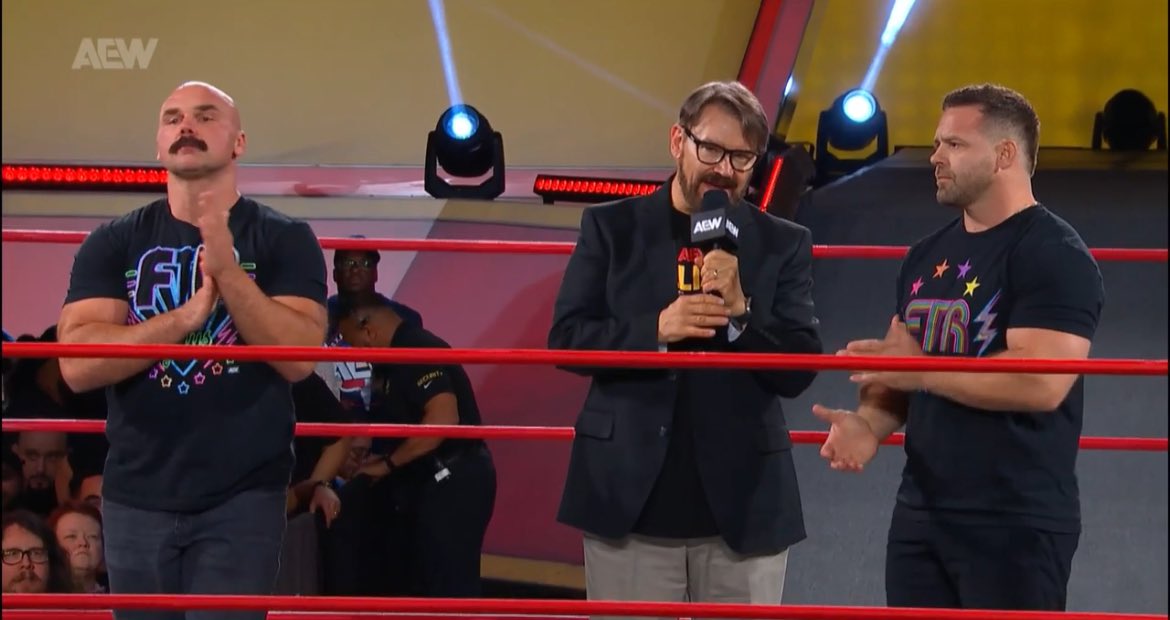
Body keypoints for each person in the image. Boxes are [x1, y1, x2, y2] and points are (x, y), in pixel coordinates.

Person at [814, 84, 1105, 611]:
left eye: (954, 144)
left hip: (1015, 521)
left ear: (1004, 154)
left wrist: (921, 372)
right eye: (937, 144)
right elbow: (899, 373)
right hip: (921, 513)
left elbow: (1041, 381)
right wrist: (868, 424)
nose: (936, 157)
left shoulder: (1054, 254)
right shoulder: (925, 256)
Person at [56, 81, 328, 619]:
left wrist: (229, 273)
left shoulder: (285, 238)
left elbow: (298, 357)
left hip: (243, 494)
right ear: (159, 145)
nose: (186, 126)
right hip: (136, 491)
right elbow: (78, 364)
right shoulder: (114, 241)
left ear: (239, 142)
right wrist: (183, 319)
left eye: (205, 116)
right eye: (173, 118)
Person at [547, 80, 823, 612]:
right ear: (678, 141)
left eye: (742, 158)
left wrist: (743, 312)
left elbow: (798, 368)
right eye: (712, 149)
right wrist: (655, 329)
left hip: (744, 507)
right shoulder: (611, 227)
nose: (725, 169)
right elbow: (567, 339)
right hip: (628, 504)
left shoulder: (783, 242)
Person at [330, 302, 496, 597]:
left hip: (454, 479)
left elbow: (443, 419)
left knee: (449, 587)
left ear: (369, 332)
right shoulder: (397, 358)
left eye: (355, 346)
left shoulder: (415, 350)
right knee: (428, 582)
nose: (358, 355)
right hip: (437, 478)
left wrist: (387, 465)